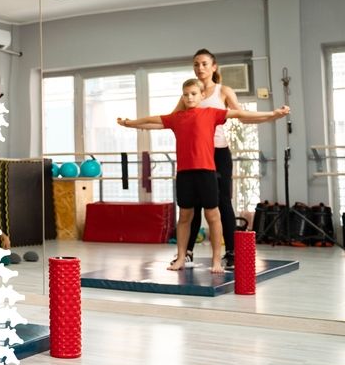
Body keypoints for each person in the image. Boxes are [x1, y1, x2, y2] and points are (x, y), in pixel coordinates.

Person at [118, 79, 289, 274]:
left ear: (201, 96)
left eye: (193, 93)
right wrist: (129, 123)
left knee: (213, 216)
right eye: (186, 94)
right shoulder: (176, 118)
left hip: (206, 172)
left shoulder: (211, 113)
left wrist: (273, 114)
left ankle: (216, 260)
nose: (189, 97)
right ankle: (181, 257)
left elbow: (240, 113)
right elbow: (151, 119)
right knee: (184, 217)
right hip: (184, 174)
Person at [172, 49, 258, 270]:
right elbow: (174, 119)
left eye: (203, 64)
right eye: (196, 65)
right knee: (193, 205)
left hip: (219, 152)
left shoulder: (223, 91)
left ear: (213, 67)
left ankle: (231, 251)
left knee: (222, 202)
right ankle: (187, 252)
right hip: (196, 154)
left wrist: (269, 116)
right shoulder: (190, 93)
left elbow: (241, 115)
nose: (200, 68)